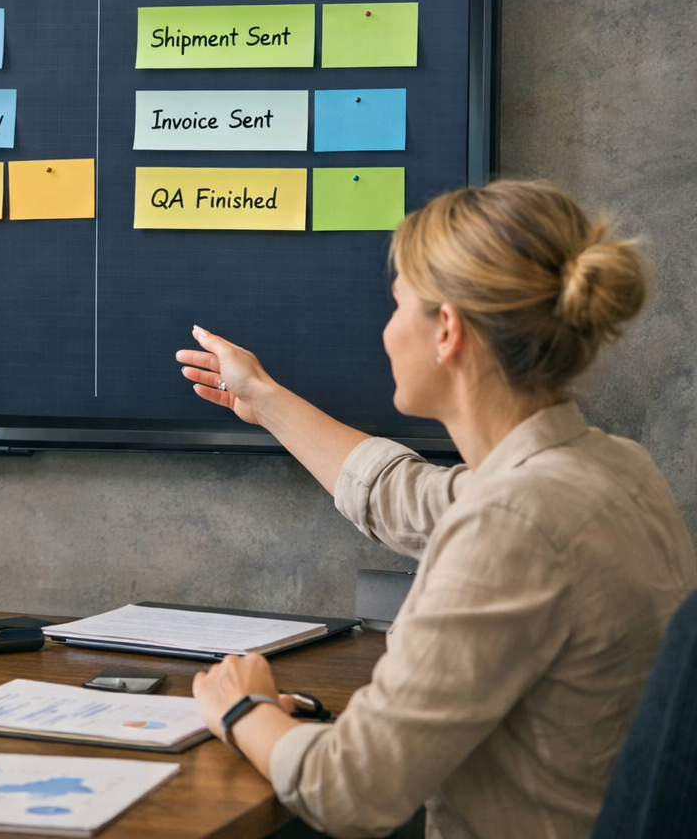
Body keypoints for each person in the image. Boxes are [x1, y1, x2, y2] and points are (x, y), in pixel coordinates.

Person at [177, 180, 696, 839]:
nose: (387, 330)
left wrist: (243, 708)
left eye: (397, 307)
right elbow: (406, 494)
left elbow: (348, 790)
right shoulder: (613, 468)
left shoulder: (515, 522)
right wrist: (266, 399)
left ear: (446, 329)